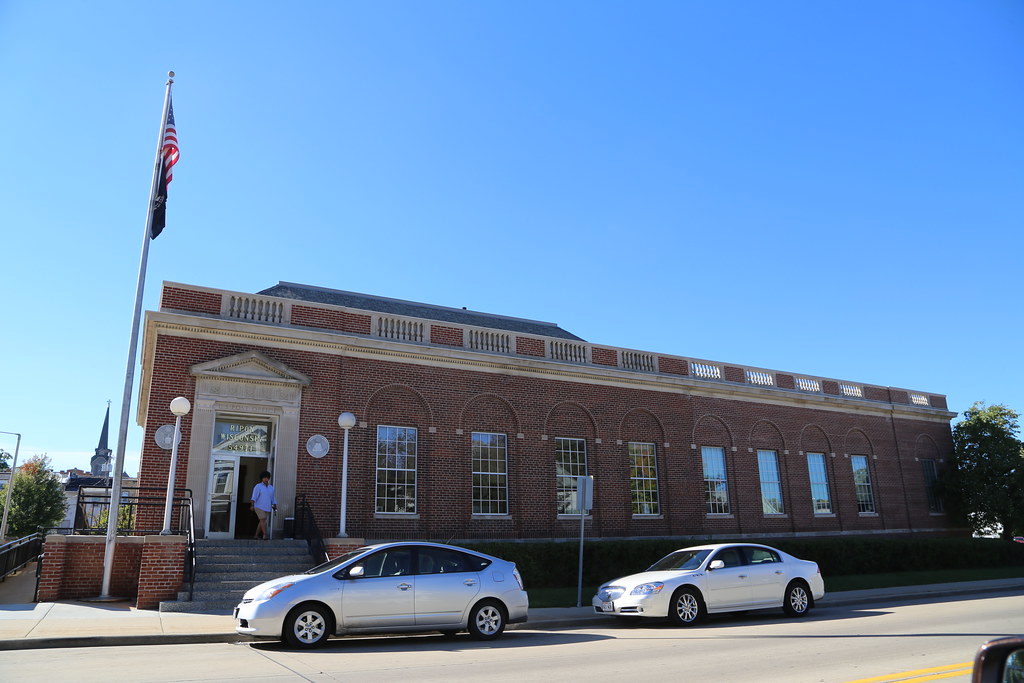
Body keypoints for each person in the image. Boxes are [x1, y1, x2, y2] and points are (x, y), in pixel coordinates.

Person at [250, 470, 277, 540]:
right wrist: (252, 505)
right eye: (264, 477)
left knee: (262, 521)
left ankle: (256, 535)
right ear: (262, 478)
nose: (266, 479)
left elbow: (273, 497)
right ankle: (265, 535)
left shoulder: (271, 487)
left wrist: (275, 505)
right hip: (258, 506)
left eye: (267, 477)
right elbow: (254, 496)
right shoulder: (258, 486)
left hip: (267, 506)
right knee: (263, 519)